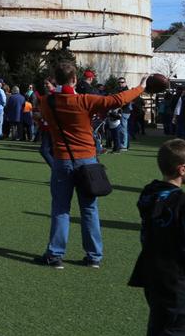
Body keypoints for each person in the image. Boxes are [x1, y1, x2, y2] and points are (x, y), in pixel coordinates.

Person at [36, 62, 144, 269]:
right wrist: (141, 87)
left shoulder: (47, 102)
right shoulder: (84, 101)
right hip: (87, 160)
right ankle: (94, 256)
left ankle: (55, 254)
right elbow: (117, 100)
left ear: (55, 80)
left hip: (62, 160)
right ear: (75, 79)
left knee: (60, 208)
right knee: (89, 209)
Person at [125, 140, 185, 336]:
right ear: (182, 169)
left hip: (148, 265)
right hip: (172, 271)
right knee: (183, 325)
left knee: (160, 320)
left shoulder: (149, 193)